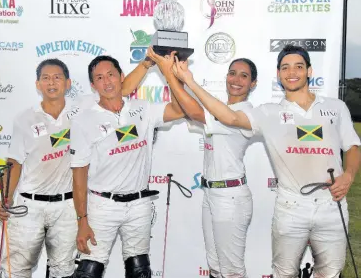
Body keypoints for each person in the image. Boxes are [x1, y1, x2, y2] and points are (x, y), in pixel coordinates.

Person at [171, 44, 361, 277]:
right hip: (291, 206)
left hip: (332, 204)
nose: (292, 72)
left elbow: (352, 146)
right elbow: (228, 116)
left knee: (331, 272)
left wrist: (349, 174)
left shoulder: (336, 107)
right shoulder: (268, 112)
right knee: (283, 273)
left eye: (298, 67)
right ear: (278, 74)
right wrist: (189, 81)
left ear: (309, 71)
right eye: (285, 68)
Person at [0, 58, 156, 278]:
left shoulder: (83, 108)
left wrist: (146, 64)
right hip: (29, 205)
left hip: (68, 207)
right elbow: (14, 162)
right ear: (37, 84)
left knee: (63, 270)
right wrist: (6, 199)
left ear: (68, 83)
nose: (51, 83)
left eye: (57, 77)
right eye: (45, 78)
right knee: (17, 269)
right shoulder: (24, 119)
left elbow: (123, 88)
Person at [70, 54, 187, 278]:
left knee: (139, 270)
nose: (107, 82)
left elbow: (180, 110)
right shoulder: (84, 120)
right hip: (102, 206)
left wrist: (172, 74)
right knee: (88, 271)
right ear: (93, 85)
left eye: (111, 75)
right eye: (100, 78)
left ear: (122, 76)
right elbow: (79, 174)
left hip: (139, 205)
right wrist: (82, 220)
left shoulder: (144, 108)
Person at [147, 47, 257, 278]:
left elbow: (197, 112)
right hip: (211, 194)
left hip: (231, 198)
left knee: (232, 271)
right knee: (216, 266)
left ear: (253, 84)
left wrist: (173, 76)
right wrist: (174, 77)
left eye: (244, 76)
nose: (236, 80)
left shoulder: (244, 112)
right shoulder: (219, 108)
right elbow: (187, 109)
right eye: (232, 73)